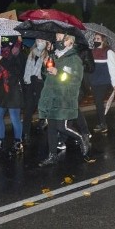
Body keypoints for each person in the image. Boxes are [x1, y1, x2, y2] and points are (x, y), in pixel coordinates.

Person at [37, 32, 90, 167]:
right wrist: (45, 68)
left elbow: (75, 80)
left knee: (62, 126)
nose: (58, 40)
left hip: (65, 97)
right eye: (57, 37)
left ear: (70, 41)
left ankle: (82, 138)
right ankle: (52, 155)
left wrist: (58, 73)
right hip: (52, 96)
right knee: (52, 127)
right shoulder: (54, 56)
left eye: (62, 38)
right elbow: (46, 78)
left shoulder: (74, 59)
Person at [0, 36, 27, 159]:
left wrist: (2, 61)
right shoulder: (1, 52)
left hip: (14, 90)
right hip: (3, 91)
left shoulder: (18, 52)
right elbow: (3, 72)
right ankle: (0, 143)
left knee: (14, 117)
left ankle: (18, 144)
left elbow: (18, 71)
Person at [89, 33, 115, 134]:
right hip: (94, 81)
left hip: (104, 81)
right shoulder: (92, 51)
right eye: (94, 39)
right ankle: (101, 122)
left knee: (98, 101)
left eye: (98, 38)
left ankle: (103, 124)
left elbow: (113, 67)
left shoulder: (108, 52)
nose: (95, 40)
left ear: (103, 40)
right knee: (98, 104)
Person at [22, 38, 48, 145]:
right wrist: (26, 80)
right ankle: (26, 134)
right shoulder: (32, 53)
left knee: (41, 106)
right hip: (29, 83)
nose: (40, 42)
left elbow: (47, 72)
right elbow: (27, 69)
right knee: (28, 110)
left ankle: (44, 122)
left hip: (40, 84)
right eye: (38, 40)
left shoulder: (48, 54)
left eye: (42, 40)